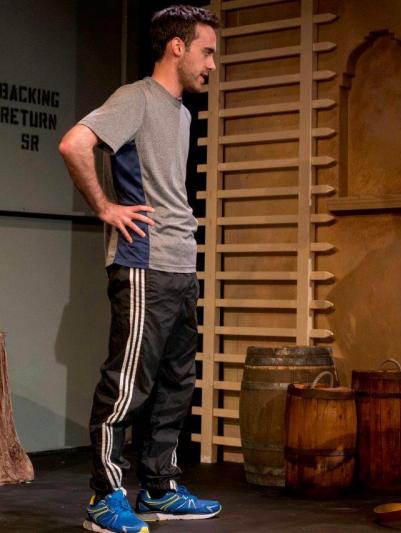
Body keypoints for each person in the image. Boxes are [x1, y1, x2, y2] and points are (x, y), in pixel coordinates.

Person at [58, 6, 220, 533]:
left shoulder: (181, 113)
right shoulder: (135, 98)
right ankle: (105, 498)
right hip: (143, 263)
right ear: (177, 47)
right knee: (128, 386)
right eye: (207, 51)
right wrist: (105, 207)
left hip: (179, 263)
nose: (212, 65)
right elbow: (75, 143)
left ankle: (159, 486)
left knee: (177, 382)